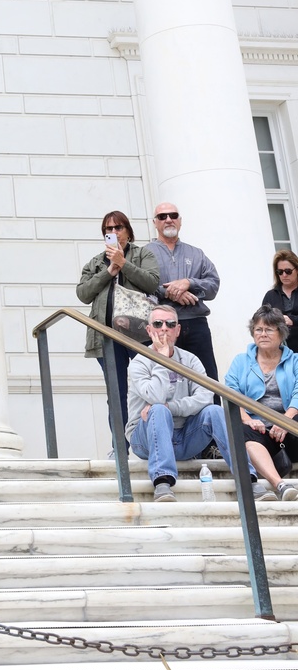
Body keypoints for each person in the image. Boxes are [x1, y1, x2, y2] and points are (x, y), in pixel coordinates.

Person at [126, 307, 252, 502]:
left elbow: (205, 396)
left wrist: (173, 407)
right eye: (158, 324)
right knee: (158, 410)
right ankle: (162, 482)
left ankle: (248, 478)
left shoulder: (190, 360)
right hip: (145, 440)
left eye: (170, 324)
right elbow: (156, 398)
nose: (164, 329)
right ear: (150, 330)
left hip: (185, 437)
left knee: (215, 411)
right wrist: (161, 358)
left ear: (178, 330)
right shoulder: (139, 363)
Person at [77, 211, 160, 438]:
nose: (113, 233)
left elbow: (152, 283)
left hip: (139, 335)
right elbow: (83, 294)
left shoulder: (143, 254)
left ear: (128, 231)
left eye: (118, 228)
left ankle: (151, 440)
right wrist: (108, 272)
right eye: (108, 230)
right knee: (116, 393)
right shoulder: (95, 262)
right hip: (106, 336)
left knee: (148, 390)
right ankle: (120, 448)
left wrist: (123, 264)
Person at [225, 306, 298, 502]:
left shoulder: (295, 361)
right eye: (258, 329)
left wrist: (285, 420)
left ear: (281, 333)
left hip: (289, 425)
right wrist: (248, 419)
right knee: (241, 430)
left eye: (269, 329)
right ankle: (280, 485)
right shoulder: (241, 362)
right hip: (259, 429)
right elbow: (232, 394)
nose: (263, 334)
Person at [144, 203, 220, 380]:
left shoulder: (196, 254)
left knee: (207, 378)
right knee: (166, 379)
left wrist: (189, 283)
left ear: (180, 221)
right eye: (162, 217)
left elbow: (213, 285)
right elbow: (140, 285)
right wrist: (169, 291)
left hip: (195, 324)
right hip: (161, 326)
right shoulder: (145, 253)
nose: (168, 220)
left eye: (173, 215)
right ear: (155, 223)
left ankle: (214, 409)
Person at [262, 250, 298, 354]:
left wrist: (292, 320)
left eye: (288, 271)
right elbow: (261, 321)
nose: (284, 275)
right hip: (280, 352)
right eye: (280, 272)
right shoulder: (270, 295)